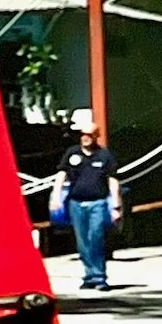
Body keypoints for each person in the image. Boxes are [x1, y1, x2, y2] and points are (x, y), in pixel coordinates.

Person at [48, 108, 121, 291]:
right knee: (82, 241)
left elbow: (113, 180)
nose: (85, 138)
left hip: (98, 203)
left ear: (96, 136)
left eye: (89, 134)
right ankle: (89, 276)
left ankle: (99, 276)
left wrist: (116, 205)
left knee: (96, 237)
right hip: (76, 203)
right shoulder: (72, 153)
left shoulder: (105, 155)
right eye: (83, 135)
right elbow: (61, 175)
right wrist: (55, 197)